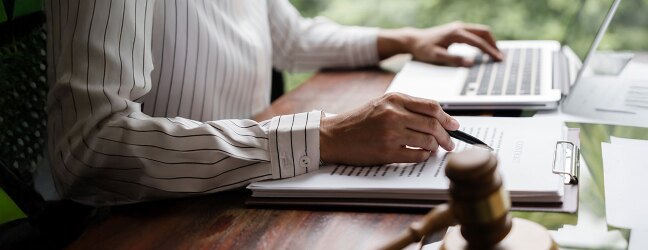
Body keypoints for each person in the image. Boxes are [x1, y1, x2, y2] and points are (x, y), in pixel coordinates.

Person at [45, 0, 502, 205]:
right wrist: (323, 135)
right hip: (154, 217)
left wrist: (403, 39)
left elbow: (289, 35)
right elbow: (89, 146)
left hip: (245, 188)